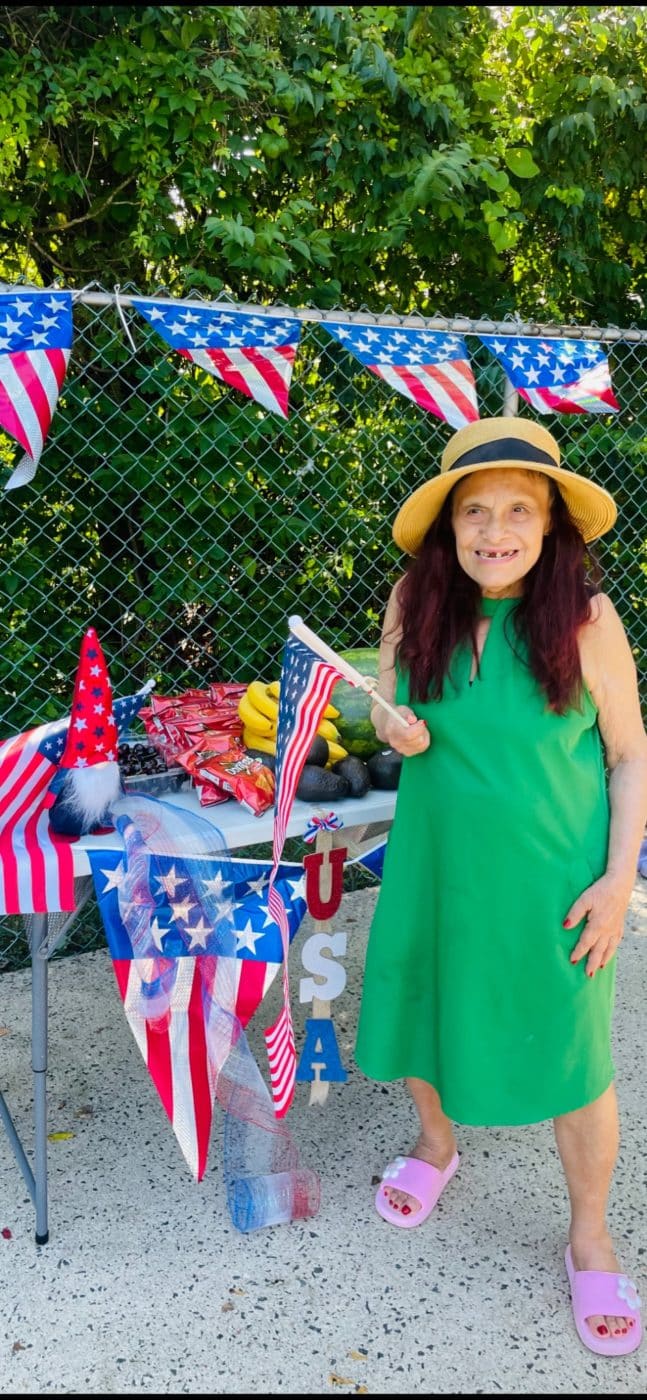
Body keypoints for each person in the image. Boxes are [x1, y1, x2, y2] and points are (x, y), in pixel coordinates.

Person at [355, 416, 647, 1357]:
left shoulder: (586, 620)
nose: (494, 530)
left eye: (517, 510)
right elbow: (389, 706)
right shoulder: (414, 598)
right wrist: (393, 730)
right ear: (448, 526)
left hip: (553, 880)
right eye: (473, 510)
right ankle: (436, 1147)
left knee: (574, 1055)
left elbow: (629, 755)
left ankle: (589, 1235)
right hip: (435, 863)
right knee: (423, 1005)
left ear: (550, 521)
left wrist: (616, 882)